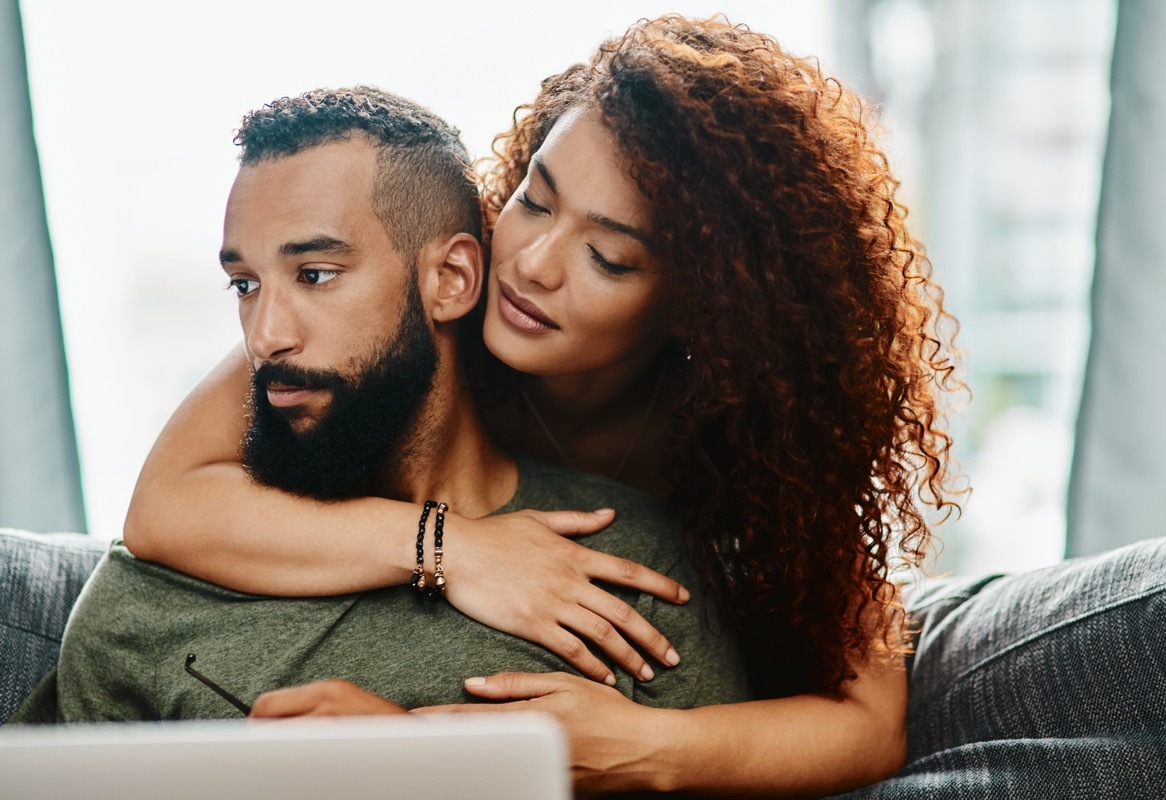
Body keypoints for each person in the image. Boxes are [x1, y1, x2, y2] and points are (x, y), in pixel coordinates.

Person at [121, 16, 927, 796]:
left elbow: (868, 725)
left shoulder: (746, 436)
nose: (532, 264)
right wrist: (452, 547)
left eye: (608, 256)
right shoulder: (432, 285)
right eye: (536, 201)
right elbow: (167, 507)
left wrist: (635, 747)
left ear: (705, 305)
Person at [6, 86, 749, 725]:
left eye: (318, 273)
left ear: (454, 278)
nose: (266, 336)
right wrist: (445, 546)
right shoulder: (161, 583)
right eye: (245, 283)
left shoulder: (633, 574)